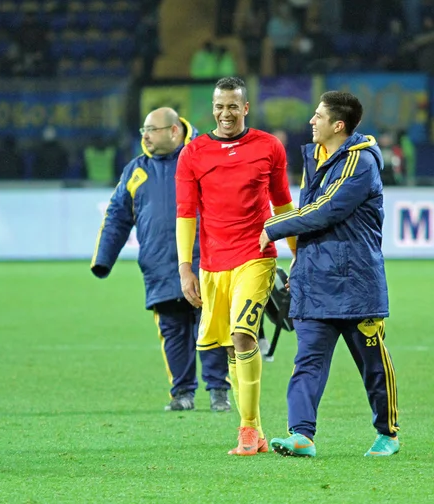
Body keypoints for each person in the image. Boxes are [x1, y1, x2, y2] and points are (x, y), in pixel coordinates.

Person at [259, 91, 400, 458]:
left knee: (373, 366)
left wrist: (271, 226)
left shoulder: (361, 162)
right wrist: (298, 268)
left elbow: (325, 210)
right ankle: (301, 435)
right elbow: (312, 223)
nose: (311, 121)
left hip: (357, 284)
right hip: (316, 282)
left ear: (338, 125)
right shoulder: (317, 157)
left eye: (318, 115)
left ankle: (388, 433)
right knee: (307, 362)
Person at [175, 76, 296, 456]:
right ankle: (256, 429)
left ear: (245, 108)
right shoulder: (192, 153)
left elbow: (284, 206)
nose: (225, 113)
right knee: (230, 347)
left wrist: (299, 256)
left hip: (256, 257)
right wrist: (185, 267)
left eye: (232, 106)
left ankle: (246, 429)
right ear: (212, 108)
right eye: (219, 106)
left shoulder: (269, 147)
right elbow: (185, 214)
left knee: (244, 334)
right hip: (213, 264)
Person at [91, 107, 231, 413]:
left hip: (204, 263)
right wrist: (104, 259)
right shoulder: (136, 171)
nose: (145, 135)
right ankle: (182, 393)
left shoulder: (205, 158)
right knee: (172, 332)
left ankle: (219, 390)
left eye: (151, 129)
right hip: (159, 268)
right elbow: (116, 217)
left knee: (210, 327)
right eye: (143, 129)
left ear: (174, 131)